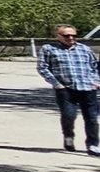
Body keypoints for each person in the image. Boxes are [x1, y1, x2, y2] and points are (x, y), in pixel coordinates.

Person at [36, 24, 99, 155]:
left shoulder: (84, 49)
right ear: (58, 36)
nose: (70, 38)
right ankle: (68, 136)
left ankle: (93, 145)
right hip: (66, 89)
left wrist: (96, 82)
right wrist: (56, 83)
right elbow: (43, 68)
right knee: (69, 115)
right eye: (66, 35)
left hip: (88, 88)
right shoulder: (49, 49)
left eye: (73, 35)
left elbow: (95, 67)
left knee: (92, 118)